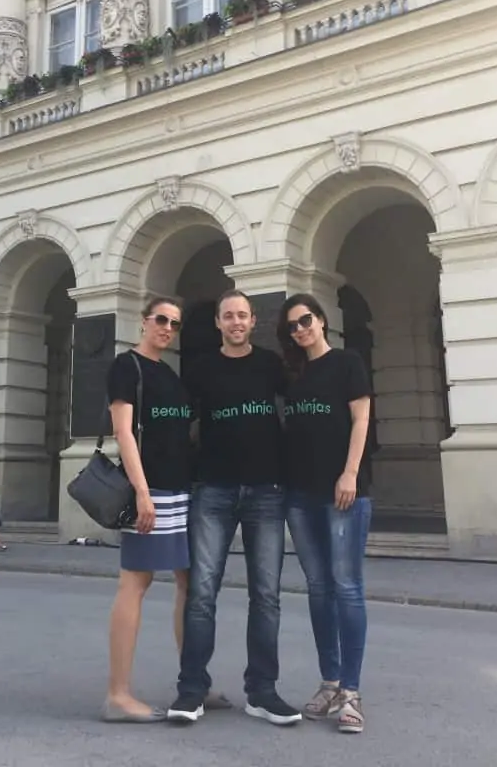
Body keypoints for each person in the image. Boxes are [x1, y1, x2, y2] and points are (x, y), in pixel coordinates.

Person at [168, 290, 301, 727]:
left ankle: (262, 692)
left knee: (267, 597)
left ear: (252, 320)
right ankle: (191, 691)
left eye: (243, 315)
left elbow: (303, 402)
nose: (236, 322)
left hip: (267, 491)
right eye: (229, 316)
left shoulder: (270, 365)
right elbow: (176, 420)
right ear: (219, 324)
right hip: (214, 492)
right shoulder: (201, 369)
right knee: (202, 594)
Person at [277, 293, 372, 735]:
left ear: (322, 320)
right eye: (293, 326)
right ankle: (329, 682)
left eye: (306, 320)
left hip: (342, 492)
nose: (301, 329)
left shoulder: (347, 362)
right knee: (318, 588)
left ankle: (351, 692)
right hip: (300, 494)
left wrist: (349, 473)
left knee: (347, 586)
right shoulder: (294, 375)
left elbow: (360, 420)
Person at [102, 296, 194, 724]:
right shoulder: (128, 367)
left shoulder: (169, 374)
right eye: (161, 320)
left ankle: (193, 681)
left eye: (174, 324)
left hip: (180, 491)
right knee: (135, 584)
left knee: (189, 584)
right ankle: (118, 694)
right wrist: (142, 491)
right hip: (151, 490)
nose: (167, 329)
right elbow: (124, 432)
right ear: (144, 322)